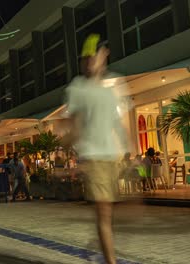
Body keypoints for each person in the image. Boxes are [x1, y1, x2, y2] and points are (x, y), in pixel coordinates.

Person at [64, 33, 130, 264]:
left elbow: (117, 122)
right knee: (104, 213)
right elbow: (75, 123)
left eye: (95, 56)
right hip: (93, 157)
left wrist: (131, 152)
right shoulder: (78, 87)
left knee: (108, 214)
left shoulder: (114, 84)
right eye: (86, 58)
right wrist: (77, 156)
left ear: (105, 55)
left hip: (113, 157)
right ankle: (109, 260)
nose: (90, 61)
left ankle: (99, 248)